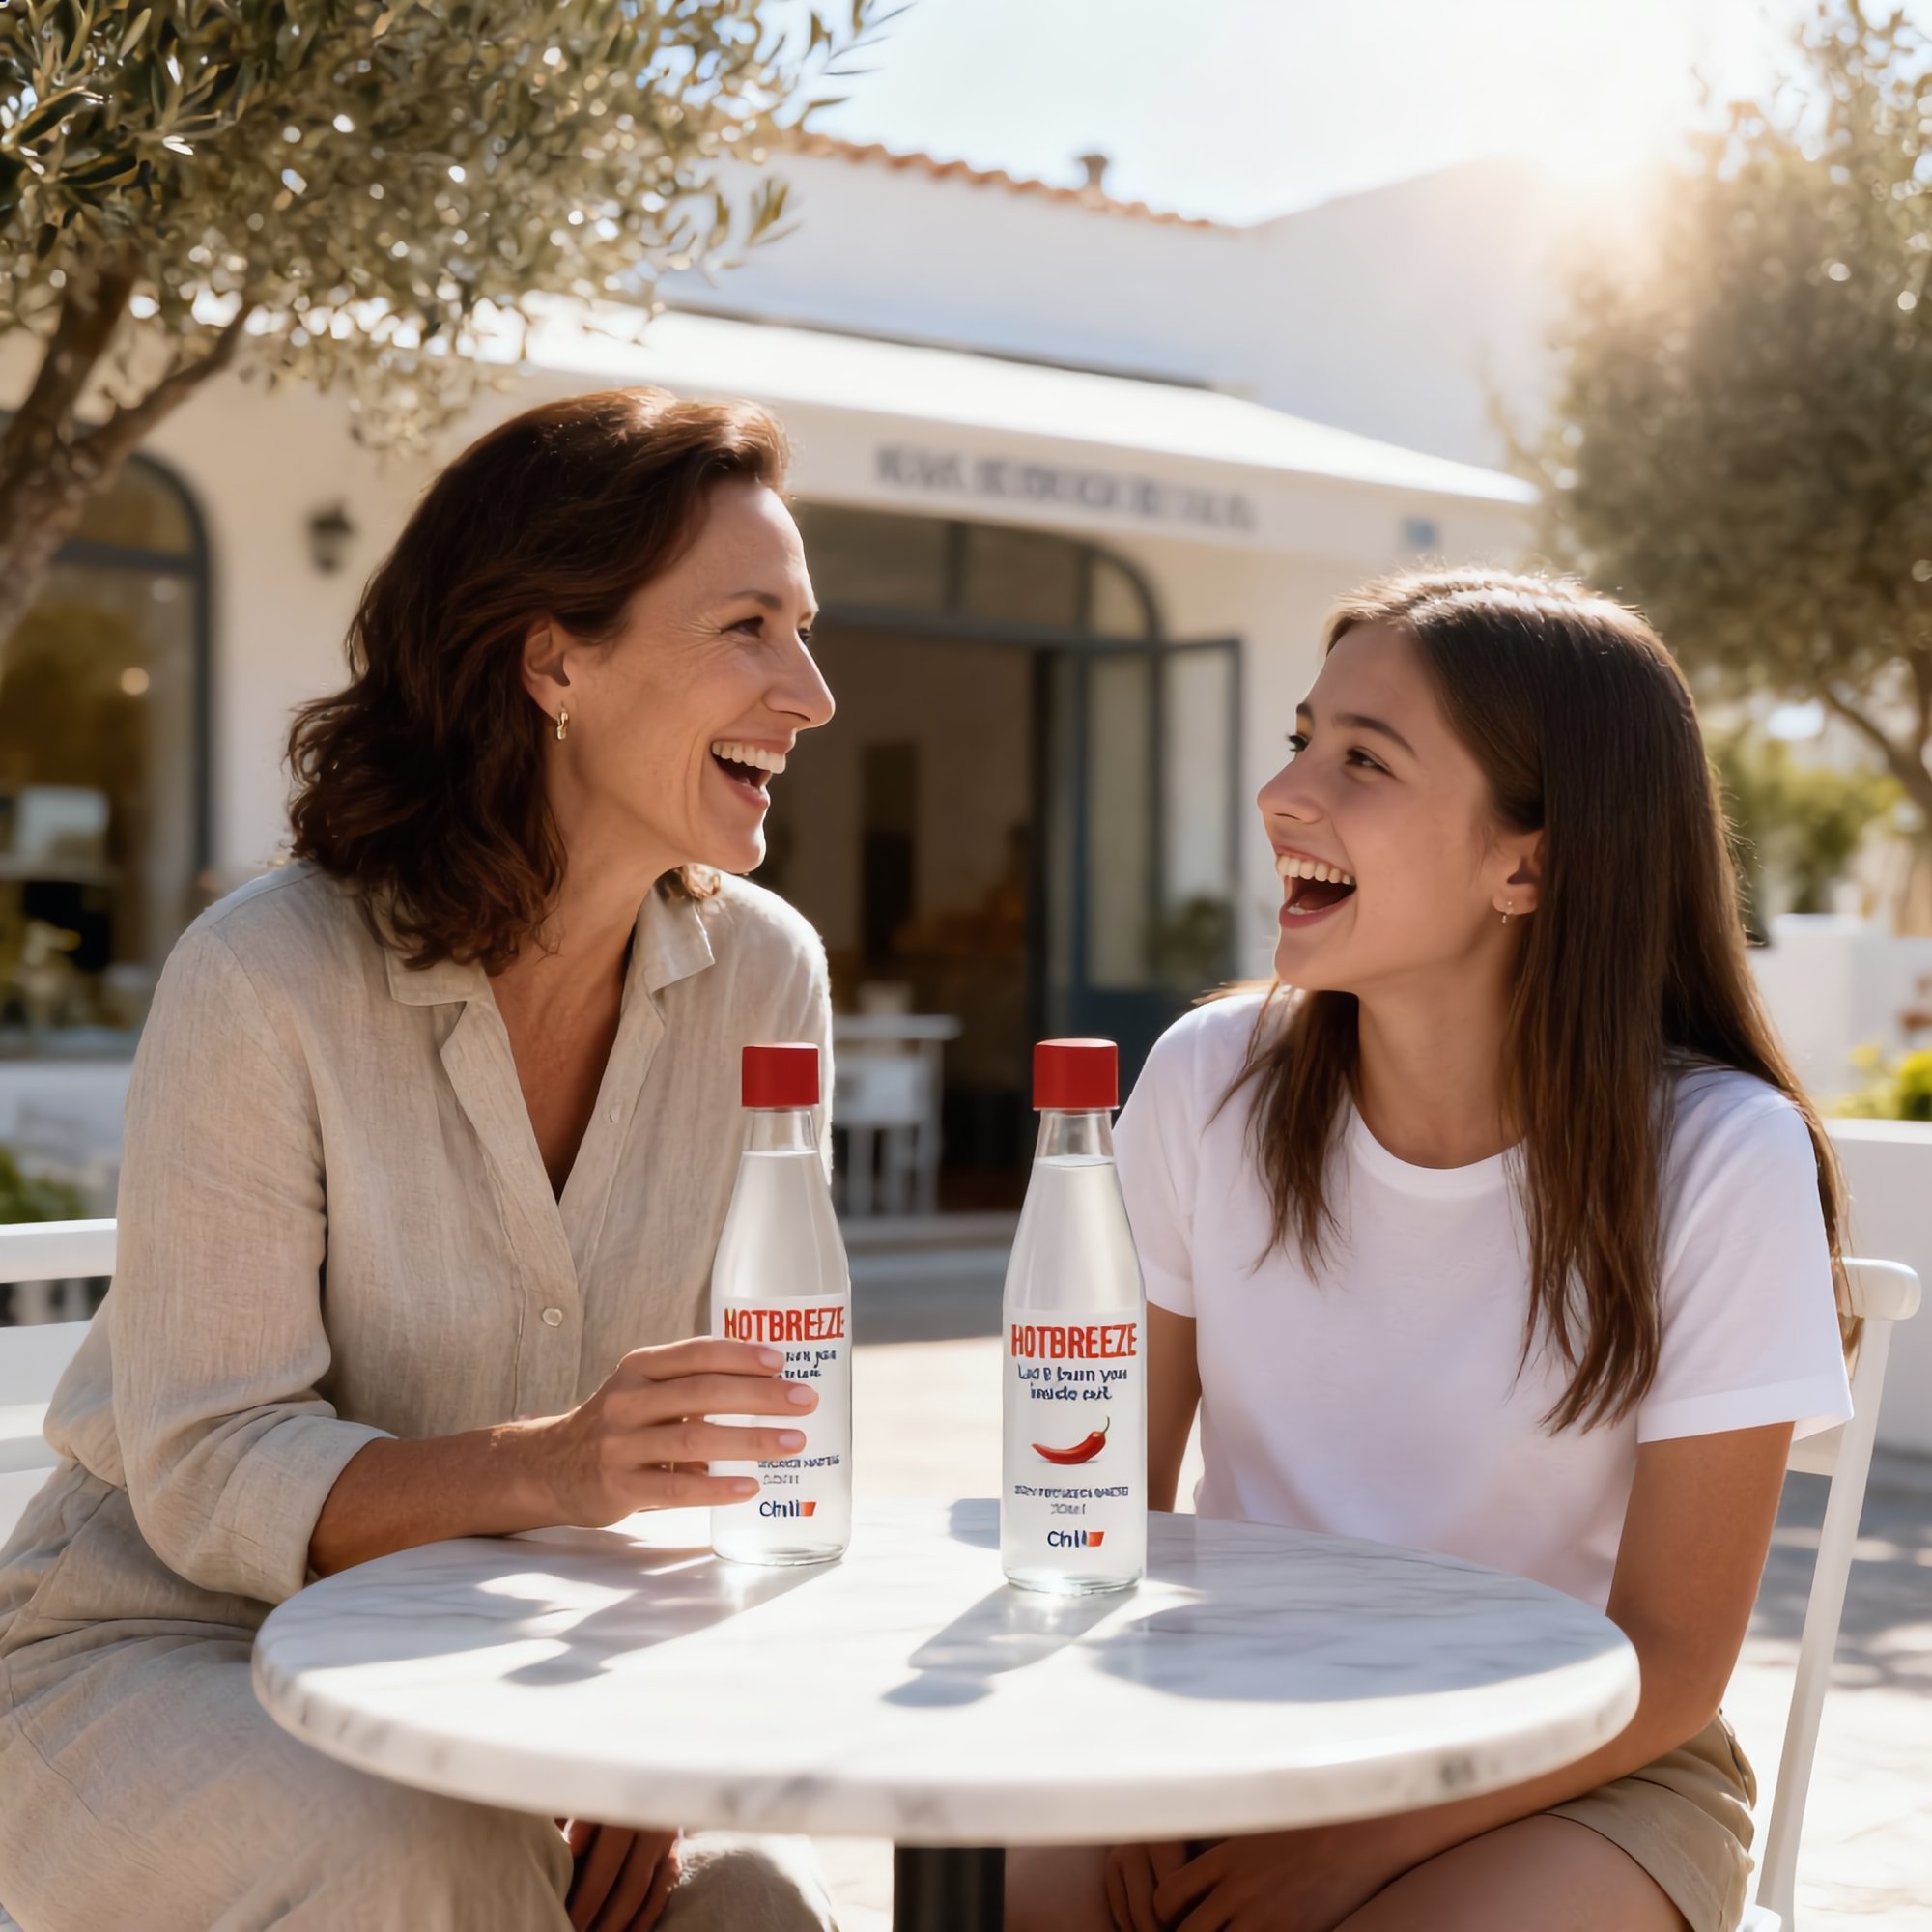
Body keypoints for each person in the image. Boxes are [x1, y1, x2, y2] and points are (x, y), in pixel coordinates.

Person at [0, 389, 843, 1932]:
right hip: (154, 1656)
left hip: (502, 1679)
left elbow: (756, 1437)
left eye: (803, 629)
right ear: (553, 661)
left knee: (765, 1902)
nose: (811, 691)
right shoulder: (267, 977)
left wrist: (649, 1743)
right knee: (423, 1858)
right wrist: (552, 1465)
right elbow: (207, 1471)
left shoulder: (765, 980)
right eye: (749, 628)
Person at [1011, 570, 1853, 1932]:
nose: (1286, 792)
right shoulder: (1206, 1080)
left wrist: (1354, 1849)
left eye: (1363, 760)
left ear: (1531, 861)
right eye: (1301, 738)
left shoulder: (1717, 1156)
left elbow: (1675, 1662)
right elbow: (1098, 1514)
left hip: (1577, 1764)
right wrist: (1147, 1769)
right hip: (1234, 1711)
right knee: (1002, 1893)